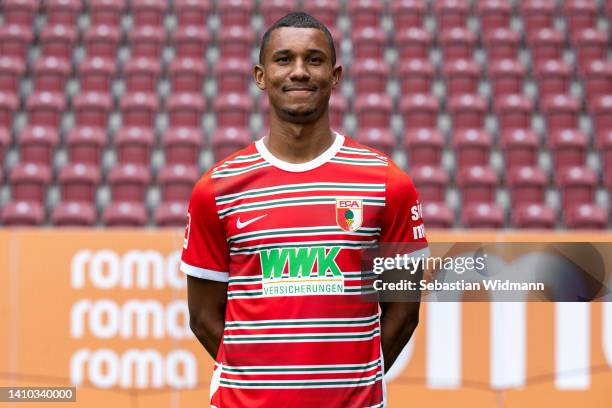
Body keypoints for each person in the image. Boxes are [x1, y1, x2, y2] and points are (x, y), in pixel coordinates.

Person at [181, 12, 428, 407]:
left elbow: (403, 313)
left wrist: (350, 385)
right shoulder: (216, 189)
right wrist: (262, 387)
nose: (299, 71)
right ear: (261, 76)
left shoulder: (387, 184)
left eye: (314, 59)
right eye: (284, 59)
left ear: (335, 75)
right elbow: (203, 317)